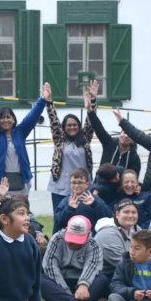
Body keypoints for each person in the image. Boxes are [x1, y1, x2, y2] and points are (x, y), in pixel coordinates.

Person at [94, 199, 151, 284]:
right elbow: (125, 264)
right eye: (126, 212)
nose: (130, 215)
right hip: (106, 277)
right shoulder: (107, 234)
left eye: (134, 212)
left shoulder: (135, 229)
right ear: (117, 214)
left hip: (129, 271)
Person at [42, 216, 109, 301]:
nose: (74, 244)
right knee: (39, 280)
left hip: (83, 284)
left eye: (79, 241)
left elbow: (92, 266)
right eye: (71, 240)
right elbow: (50, 265)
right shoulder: (57, 238)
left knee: (102, 280)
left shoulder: (94, 245)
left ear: (87, 235)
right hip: (60, 282)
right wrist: (65, 290)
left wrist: (83, 285)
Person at [44, 82, 95, 210]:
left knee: (84, 216)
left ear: (79, 126)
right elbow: (53, 121)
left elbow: (91, 121)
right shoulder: (59, 140)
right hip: (61, 187)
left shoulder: (85, 139)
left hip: (83, 186)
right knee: (60, 217)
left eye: (74, 125)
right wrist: (49, 101)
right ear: (64, 128)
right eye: (68, 125)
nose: (72, 127)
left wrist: (93, 100)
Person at [85, 83, 141, 174]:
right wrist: (90, 110)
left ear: (133, 141)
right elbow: (99, 128)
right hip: (101, 185)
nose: (125, 136)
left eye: (129, 135)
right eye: (124, 133)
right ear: (120, 134)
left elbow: (133, 177)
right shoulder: (109, 144)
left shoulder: (134, 158)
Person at [53, 168, 112, 234]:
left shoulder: (94, 200)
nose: (76, 185)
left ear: (87, 184)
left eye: (80, 183)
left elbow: (107, 217)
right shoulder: (66, 201)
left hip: (90, 238)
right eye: (73, 182)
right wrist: (70, 208)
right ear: (70, 184)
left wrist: (95, 204)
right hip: (71, 238)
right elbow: (58, 222)